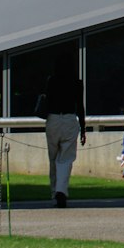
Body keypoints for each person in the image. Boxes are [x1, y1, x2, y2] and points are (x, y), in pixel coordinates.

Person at [36, 68, 86, 207]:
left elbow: (47, 99)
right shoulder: (76, 82)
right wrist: (83, 128)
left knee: (53, 158)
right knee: (66, 159)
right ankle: (61, 190)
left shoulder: (52, 80)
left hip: (53, 119)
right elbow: (80, 107)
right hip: (70, 119)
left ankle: (54, 191)